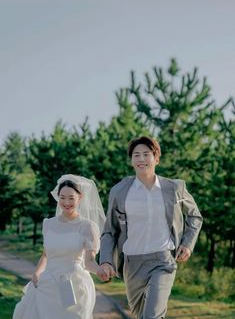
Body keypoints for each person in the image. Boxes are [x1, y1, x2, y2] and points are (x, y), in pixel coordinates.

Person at [97, 136, 203, 319]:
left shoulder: (174, 188)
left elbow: (195, 215)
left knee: (152, 315)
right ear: (131, 160)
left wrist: (187, 243)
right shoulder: (119, 191)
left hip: (163, 260)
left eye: (146, 154)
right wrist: (106, 260)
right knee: (140, 316)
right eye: (136, 155)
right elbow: (109, 231)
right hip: (132, 264)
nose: (141, 159)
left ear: (156, 158)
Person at [13, 174, 106, 319]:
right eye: (62, 197)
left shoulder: (87, 227)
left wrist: (99, 269)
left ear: (80, 198)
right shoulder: (48, 224)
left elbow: (89, 262)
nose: (66, 202)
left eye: (71, 198)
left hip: (75, 286)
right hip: (48, 284)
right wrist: (37, 272)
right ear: (58, 197)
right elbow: (46, 254)